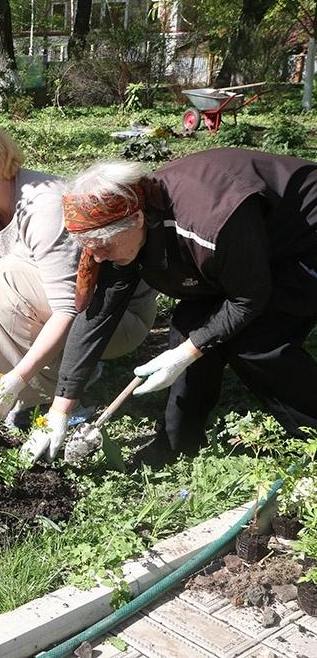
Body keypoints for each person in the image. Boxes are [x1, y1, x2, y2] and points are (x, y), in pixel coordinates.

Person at [23, 148, 317, 464]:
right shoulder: (119, 224)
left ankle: (312, 435)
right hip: (246, 250)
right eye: (89, 250)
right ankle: (177, 445)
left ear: (137, 219)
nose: (97, 258)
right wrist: (59, 410)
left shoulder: (208, 222)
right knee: (188, 327)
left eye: (103, 247)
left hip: (302, 239)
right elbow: (99, 314)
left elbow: (247, 300)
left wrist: (186, 354)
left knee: (254, 342)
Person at [0, 113, 156, 427]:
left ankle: (64, 399)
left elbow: (68, 308)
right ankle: (36, 388)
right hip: (61, 314)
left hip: (112, 320)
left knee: (2, 276)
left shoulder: (42, 205)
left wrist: (17, 377)